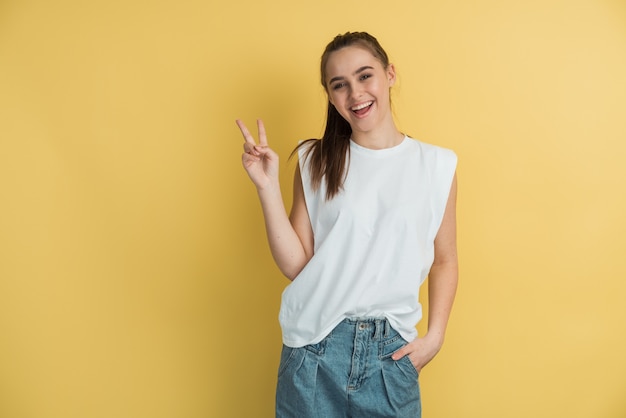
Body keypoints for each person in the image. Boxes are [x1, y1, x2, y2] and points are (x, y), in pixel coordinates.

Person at [236, 31, 458, 418]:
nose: (355, 93)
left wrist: (435, 338)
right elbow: (297, 266)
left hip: (390, 357)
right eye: (340, 85)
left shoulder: (437, 165)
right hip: (313, 351)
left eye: (364, 76)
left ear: (389, 75)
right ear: (330, 95)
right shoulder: (314, 159)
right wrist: (267, 189)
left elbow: (445, 260)